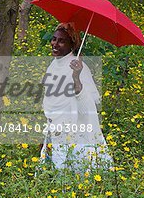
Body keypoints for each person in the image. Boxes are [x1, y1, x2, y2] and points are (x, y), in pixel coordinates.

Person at [40, 22, 112, 171]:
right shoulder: (53, 65)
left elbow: (87, 104)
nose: (55, 44)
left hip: (74, 127)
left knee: (74, 168)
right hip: (55, 126)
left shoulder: (80, 68)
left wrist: (76, 77)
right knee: (54, 167)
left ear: (71, 45)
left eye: (61, 41)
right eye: (54, 39)